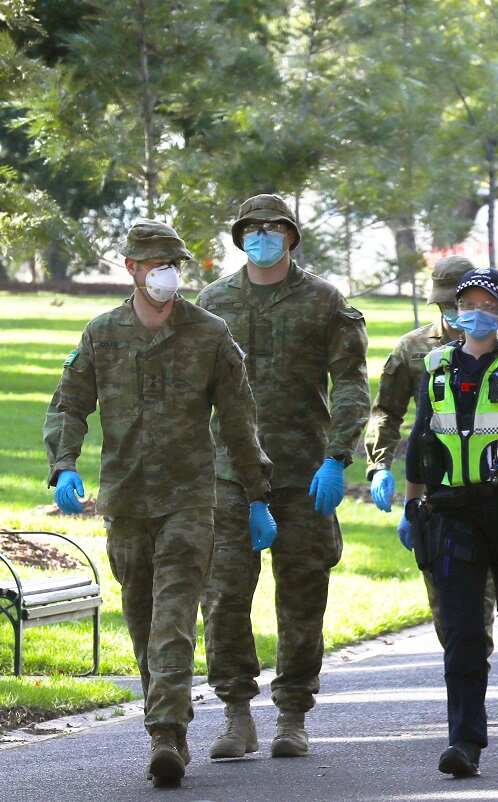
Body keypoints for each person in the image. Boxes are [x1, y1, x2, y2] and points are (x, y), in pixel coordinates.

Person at [43, 220, 274, 787]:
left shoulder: (210, 335)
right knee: (143, 621)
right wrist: (64, 463)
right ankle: (166, 720)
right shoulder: (103, 333)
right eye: (154, 264)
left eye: (174, 263)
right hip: (125, 501)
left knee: (173, 618)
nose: (166, 274)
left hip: (190, 500)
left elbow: (240, 423)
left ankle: (166, 734)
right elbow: (69, 403)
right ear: (132, 270)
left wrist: (255, 494)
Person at [199, 194, 370, 760]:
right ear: (240, 235)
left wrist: (339, 455)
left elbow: (349, 383)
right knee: (223, 596)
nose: (264, 235)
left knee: (301, 598)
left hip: (303, 472)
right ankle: (235, 713)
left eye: (275, 227)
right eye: (253, 227)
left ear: (292, 237)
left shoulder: (323, 301)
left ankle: (293, 714)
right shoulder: (212, 301)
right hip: (229, 472)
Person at [402, 267, 498, 777]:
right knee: (464, 632)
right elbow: (422, 441)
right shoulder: (439, 366)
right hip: (455, 514)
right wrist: (413, 503)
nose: (475, 313)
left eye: (488, 305)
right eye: (465, 304)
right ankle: (464, 743)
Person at [364, 255, 496, 651]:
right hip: (437, 491)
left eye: (461, 302)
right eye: (446, 305)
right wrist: (379, 465)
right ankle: (468, 680)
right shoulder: (413, 350)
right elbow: (386, 411)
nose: (454, 313)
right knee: (452, 616)